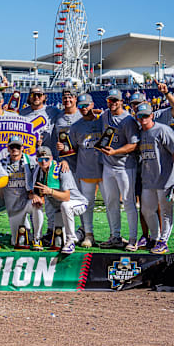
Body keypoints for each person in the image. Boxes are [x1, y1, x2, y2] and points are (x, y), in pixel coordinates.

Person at [135, 102, 174, 254]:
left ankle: (163, 241)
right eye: (140, 116)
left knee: (165, 211)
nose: (143, 118)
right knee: (146, 210)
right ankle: (154, 238)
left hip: (166, 179)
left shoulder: (163, 129)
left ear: (152, 115)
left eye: (146, 115)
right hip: (148, 179)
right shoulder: (140, 133)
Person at [98, 89, 140, 251]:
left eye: (116, 100)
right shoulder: (104, 115)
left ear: (122, 101)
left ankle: (132, 239)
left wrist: (115, 151)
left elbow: (133, 145)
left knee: (129, 203)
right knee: (111, 202)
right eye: (110, 100)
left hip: (125, 166)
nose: (113, 103)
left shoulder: (128, 120)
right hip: (108, 166)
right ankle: (115, 236)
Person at [61, 93, 103, 248]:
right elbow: (70, 148)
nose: (84, 108)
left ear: (92, 105)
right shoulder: (76, 126)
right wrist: (64, 153)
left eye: (86, 105)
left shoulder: (103, 120)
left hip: (105, 168)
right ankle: (88, 234)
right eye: (81, 106)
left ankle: (115, 236)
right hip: (85, 169)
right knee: (87, 204)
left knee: (112, 204)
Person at [33, 147, 88, 254]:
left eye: (46, 159)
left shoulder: (61, 169)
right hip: (58, 208)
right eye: (40, 159)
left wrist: (50, 191)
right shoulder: (38, 171)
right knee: (58, 239)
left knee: (66, 205)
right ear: (36, 160)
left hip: (77, 202)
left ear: (51, 158)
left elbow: (67, 197)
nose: (43, 162)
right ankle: (80, 234)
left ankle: (71, 241)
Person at [0, 136, 44, 250]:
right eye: (12, 147)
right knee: (17, 242)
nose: (15, 149)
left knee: (37, 206)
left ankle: (37, 238)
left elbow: (45, 168)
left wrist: (38, 195)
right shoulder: (1, 163)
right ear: (8, 148)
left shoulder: (31, 161)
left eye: (18, 146)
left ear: (22, 148)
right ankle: (27, 230)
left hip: (26, 201)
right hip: (13, 208)